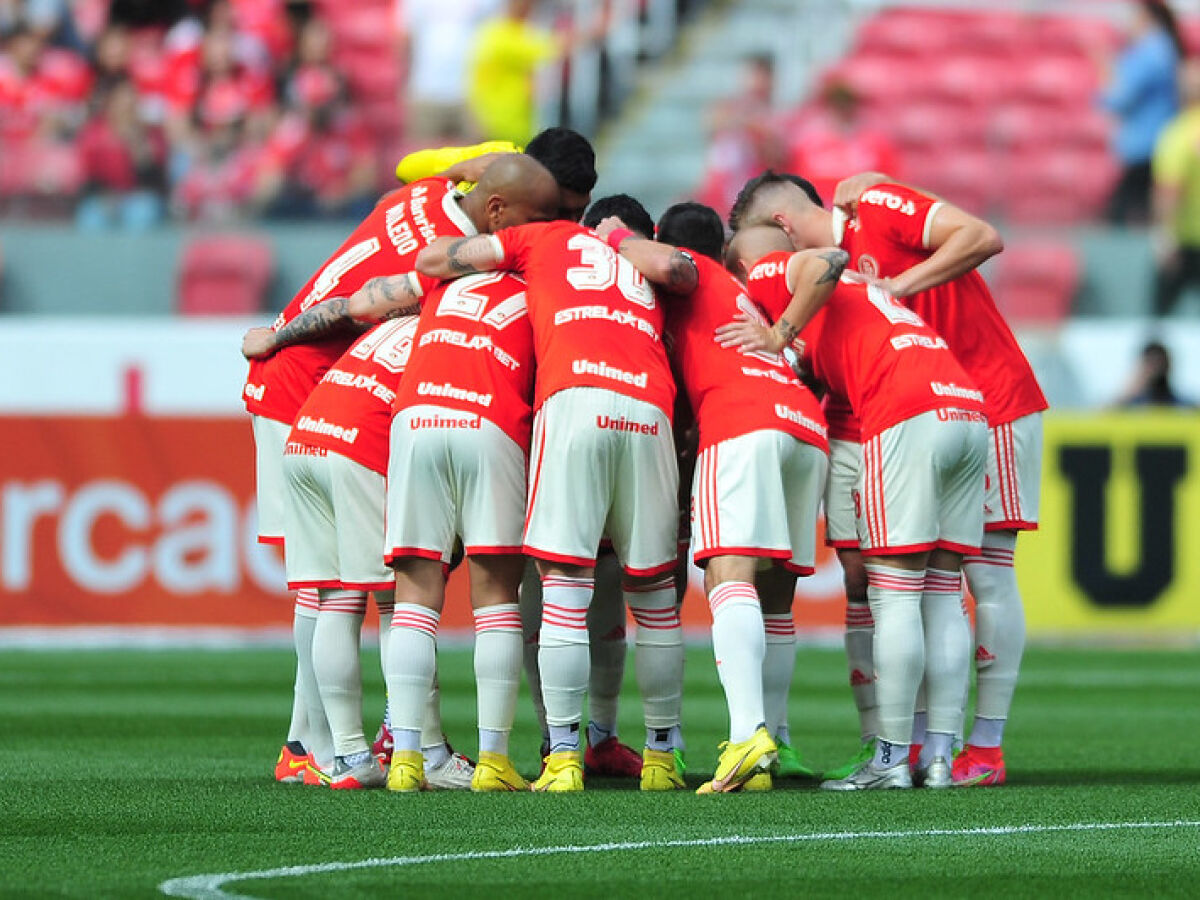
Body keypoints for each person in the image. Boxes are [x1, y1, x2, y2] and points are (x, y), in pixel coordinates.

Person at [241, 153, 560, 787]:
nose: (543, 231)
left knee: (331, 593)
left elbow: (356, 297)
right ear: (497, 211)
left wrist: (277, 334)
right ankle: (391, 750)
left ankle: (341, 752)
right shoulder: (487, 271)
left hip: (311, 402)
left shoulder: (426, 228)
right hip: (331, 408)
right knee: (381, 595)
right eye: (540, 217)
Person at [732, 170, 1047, 787]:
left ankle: (980, 748)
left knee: (980, 572)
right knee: (927, 579)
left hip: (991, 393)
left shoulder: (872, 205)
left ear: (782, 229)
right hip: (944, 405)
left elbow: (981, 235)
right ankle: (924, 748)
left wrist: (895, 287)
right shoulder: (838, 282)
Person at [415, 198, 686, 794]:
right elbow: (683, 274)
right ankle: (664, 756)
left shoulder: (543, 241)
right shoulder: (647, 262)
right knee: (656, 598)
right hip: (649, 404)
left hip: (573, 395)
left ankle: (563, 755)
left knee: (563, 588)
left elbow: (435, 257)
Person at [597, 201, 829, 793]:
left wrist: (617, 237)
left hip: (743, 420)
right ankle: (768, 742)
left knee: (729, 578)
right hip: (803, 423)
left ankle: (748, 733)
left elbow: (827, 258)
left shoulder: (688, 273)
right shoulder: (740, 290)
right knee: (775, 597)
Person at [380, 268, 536, 793]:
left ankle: (405, 758)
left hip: (417, 417)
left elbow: (363, 302)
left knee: (414, 597)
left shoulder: (443, 280)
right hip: (489, 418)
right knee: (496, 596)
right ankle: (493, 761)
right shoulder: (540, 286)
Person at [280, 315, 420, 791]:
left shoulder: (387, 327)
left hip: (305, 439)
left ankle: (348, 753)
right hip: (358, 447)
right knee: (400, 602)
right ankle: (411, 748)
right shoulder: (450, 330)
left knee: (335, 599)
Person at [1096, 0, 1186, 226]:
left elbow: (1118, 98)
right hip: (1152, 144)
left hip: (1147, 147)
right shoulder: (1162, 48)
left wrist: (1103, 66)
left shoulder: (1151, 51)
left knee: (1121, 217)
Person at [394, 126, 598, 223]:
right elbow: (406, 168)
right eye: (561, 212)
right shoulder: (493, 159)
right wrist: (462, 169)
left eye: (579, 212)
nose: (571, 225)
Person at [398, 0, 500, 142]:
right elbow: (404, 40)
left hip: (472, 95)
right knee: (422, 158)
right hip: (426, 91)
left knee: (477, 159)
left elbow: (496, 35)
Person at [467, 0, 560, 145]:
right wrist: (593, 30)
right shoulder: (507, 37)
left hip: (499, 119)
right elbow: (554, 47)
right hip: (506, 121)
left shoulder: (492, 32)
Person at [1151, 59, 1200, 316]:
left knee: (1161, 318)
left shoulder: (1178, 134)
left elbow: (1169, 189)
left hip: (1187, 243)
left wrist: (1164, 236)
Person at [1113, 339, 1195, 406]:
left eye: (1160, 362)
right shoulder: (1131, 404)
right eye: (1151, 363)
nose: (1156, 368)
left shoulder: (1184, 406)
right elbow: (1106, 415)